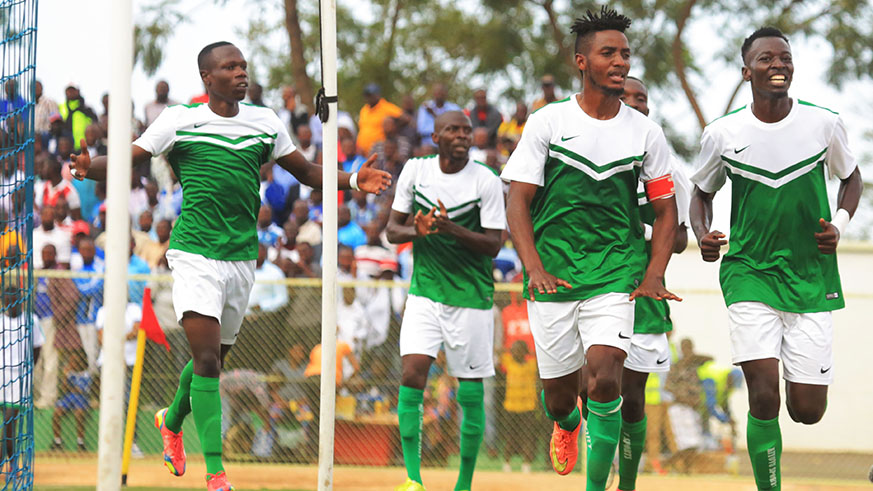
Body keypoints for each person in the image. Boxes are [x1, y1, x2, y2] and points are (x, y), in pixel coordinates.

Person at [71, 41, 391, 491]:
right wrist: (91, 166)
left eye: (243, 65)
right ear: (207, 77)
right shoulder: (181, 118)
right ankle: (217, 474)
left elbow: (308, 172)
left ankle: (172, 420)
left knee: (214, 361)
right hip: (195, 251)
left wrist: (355, 179)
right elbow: (132, 159)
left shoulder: (264, 120)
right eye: (230, 66)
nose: (241, 72)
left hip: (241, 257)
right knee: (204, 359)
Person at [500, 7, 680, 490]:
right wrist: (533, 267)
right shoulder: (548, 122)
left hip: (615, 273)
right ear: (582, 61)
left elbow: (666, 212)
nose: (620, 61)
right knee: (561, 397)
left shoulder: (646, 133)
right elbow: (517, 199)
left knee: (604, 378)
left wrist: (653, 275)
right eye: (608, 53)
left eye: (624, 53)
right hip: (554, 277)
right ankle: (566, 425)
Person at [688, 27, 862, 491]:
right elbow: (700, 193)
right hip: (750, 272)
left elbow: (851, 179)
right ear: (747, 72)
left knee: (806, 411)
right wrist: (704, 235)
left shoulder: (823, 123)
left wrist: (840, 226)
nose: (778, 65)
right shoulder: (723, 133)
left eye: (784, 57)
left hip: (810, 275)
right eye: (766, 59)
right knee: (763, 396)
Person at [577, 74, 691, 491]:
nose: (635, 103)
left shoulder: (666, 167)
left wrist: (635, 231)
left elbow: (677, 238)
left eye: (642, 98)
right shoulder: (589, 159)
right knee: (592, 389)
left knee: (633, 401)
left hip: (642, 294)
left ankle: (625, 485)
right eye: (627, 96)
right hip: (594, 285)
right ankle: (577, 437)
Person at [386, 110, 505, 491]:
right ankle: (413, 479)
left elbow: (493, 245)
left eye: (467, 130)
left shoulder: (485, 181)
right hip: (425, 292)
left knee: (469, 390)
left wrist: (448, 227)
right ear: (435, 137)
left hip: (470, 297)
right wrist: (417, 232)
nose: (462, 135)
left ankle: (464, 483)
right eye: (452, 129)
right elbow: (392, 231)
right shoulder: (416, 171)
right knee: (412, 374)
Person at [0, 287, 43, 471]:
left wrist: (29, 369)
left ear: (21, 300)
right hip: (1, 375)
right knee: (7, 422)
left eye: (15, 298)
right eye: (8, 298)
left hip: (19, 378)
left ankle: (11, 464)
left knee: (10, 419)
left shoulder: (31, 320)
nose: (12, 302)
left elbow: (37, 346)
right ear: (4, 301)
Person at [499, 340, 538, 474]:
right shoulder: (509, 362)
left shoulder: (532, 365)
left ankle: (526, 464)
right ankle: (507, 463)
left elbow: (539, 357)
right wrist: (509, 350)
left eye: (519, 350)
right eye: (514, 350)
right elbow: (498, 351)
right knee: (510, 437)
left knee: (527, 437)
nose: (516, 353)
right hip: (511, 407)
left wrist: (530, 352)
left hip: (528, 407)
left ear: (525, 352)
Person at [357, 83, 403, 155]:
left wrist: (395, 129)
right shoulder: (364, 109)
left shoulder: (386, 107)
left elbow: (405, 118)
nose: (368, 98)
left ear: (377, 95)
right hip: (363, 153)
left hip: (380, 151)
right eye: (367, 95)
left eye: (370, 95)